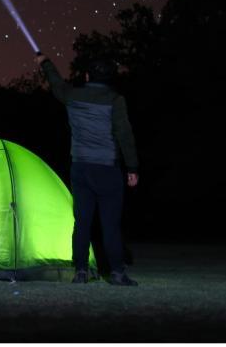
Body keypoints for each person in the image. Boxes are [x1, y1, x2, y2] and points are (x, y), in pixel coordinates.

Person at [36, 53, 139, 286]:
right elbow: (125, 134)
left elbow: (56, 83)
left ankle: (81, 272)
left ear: (87, 76)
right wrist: (132, 167)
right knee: (110, 225)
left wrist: (45, 63)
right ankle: (117, 273)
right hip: (108, 169)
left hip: (81, 168)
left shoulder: (73, 95)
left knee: (82, 222)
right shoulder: (115, 100)